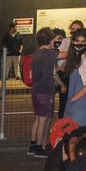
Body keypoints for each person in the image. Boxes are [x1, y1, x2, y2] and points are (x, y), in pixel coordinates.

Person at [62, 29, 86, 129]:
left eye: (83, 42)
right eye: (77, 41)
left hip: (80, 109)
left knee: (77, 140)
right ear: (72, 41)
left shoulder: (84, 58)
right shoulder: (81, 57)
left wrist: (72, 100)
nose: (80, 44)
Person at [29, 27, 58, 156]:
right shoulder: (50, 53)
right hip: (46, 90)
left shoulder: (36, 54)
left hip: (35, 89)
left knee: (37, 118)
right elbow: (67, 54)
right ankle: (40, 147)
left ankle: (33, 145)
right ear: (50, 39)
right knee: (44, 119)